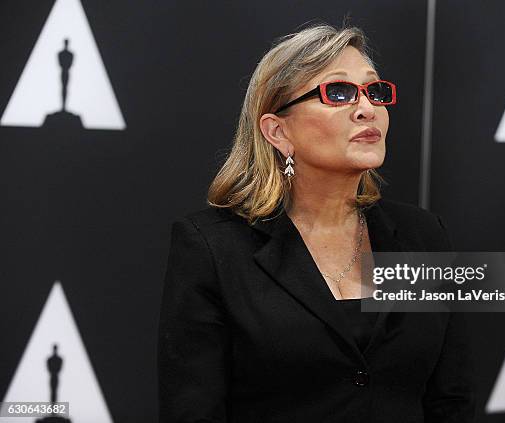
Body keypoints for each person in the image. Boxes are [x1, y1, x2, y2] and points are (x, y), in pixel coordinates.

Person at [158, 24, 474, 423]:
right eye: (338, 93)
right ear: (278, 131)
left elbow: (450, 399)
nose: (367, 108)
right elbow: (193, 411)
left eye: (374, 91)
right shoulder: (213, 247)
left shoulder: (424, 236)